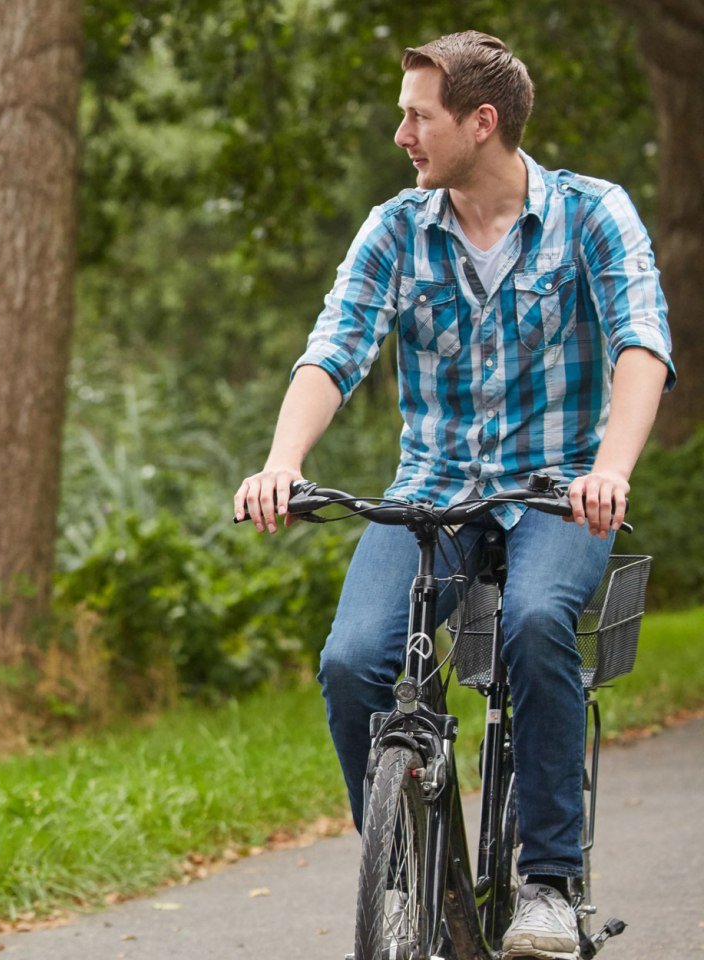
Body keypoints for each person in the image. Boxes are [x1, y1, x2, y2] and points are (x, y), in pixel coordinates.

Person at [233, 31, 674, 960]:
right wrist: (281, 459)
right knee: (355, 662)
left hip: (558, 492)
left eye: (416, 114)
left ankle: (549, 880)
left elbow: (641, 341)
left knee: (536, 623)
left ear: (482, 122)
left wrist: (612, 469)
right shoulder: (397, 228)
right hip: (433, 489)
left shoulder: (594, 214)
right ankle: (411, 875)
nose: (401, 133)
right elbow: (336, 349)